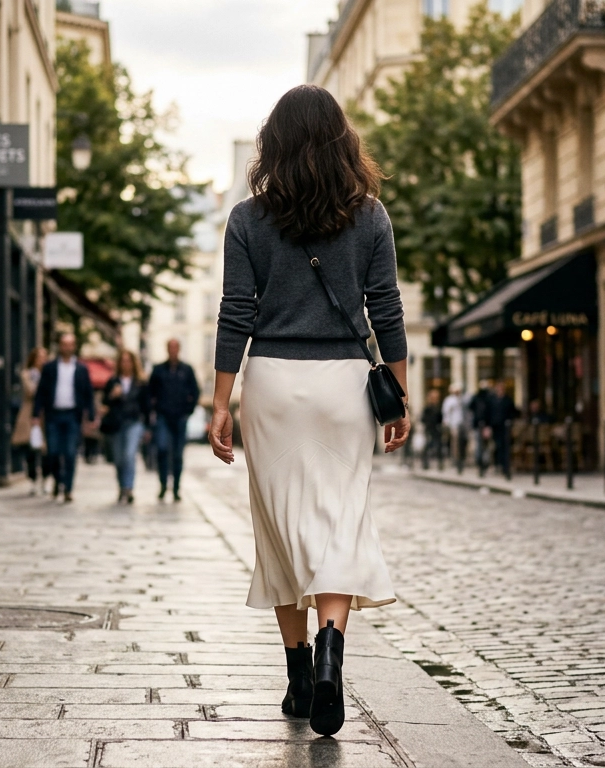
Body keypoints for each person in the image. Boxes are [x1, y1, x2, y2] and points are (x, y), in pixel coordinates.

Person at [208, 85, 409, 738]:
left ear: (275, 143)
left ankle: (297, 674)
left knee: (280, 528)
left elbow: (236, 312)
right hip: (345, 386)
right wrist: (398, 395)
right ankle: (330, 650)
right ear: (340, 139)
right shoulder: (370, 215)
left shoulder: (247, 219)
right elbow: (387, 308)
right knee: (337, 519)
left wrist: (220, 402)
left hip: (271, 383)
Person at [32, 333, 96, 503]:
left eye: (70, 344)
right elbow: (41, 392)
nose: (67, 347)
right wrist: (36, 414)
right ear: (59, 346)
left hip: (72, 415)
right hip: (53, 415)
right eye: (63, 344)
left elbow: (88, 393)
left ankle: (67, 488)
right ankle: (57, 481)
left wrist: (91, 415)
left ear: (74, 346)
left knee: (69, 453)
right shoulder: (50, 367)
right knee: (53, 451)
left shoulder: (81, 369)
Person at [147, 338, 201, 501]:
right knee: (162, 449)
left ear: (179, 349)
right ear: (167, 349)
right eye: (170, 347)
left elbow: (195, 391)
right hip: (163, 416)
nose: (173, 350)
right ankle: (163, 484)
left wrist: (188, 411)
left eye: (175, 347)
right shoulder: (158, 370)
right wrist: (153, 410)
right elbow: (150, 392)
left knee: (178, 454)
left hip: (180, 417)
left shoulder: (187, 370)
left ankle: (176, 488)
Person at [102, 349, 149, 505]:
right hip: (116, 424)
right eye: (122, 360)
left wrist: (148, 427)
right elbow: (104, 403)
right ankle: (122, 487)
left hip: (134, 423)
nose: (125, 364)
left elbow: (146, 406)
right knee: (118, 459)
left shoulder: (140, 382)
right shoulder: (112, 381)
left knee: (129, 455)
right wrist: (112, 396)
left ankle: (128, 488)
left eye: (128, 360)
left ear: (133, 363)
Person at [13, 347, 48, 495]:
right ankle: (33, 480)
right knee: (31, 449)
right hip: (29, 414)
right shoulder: (27, 374)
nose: (42, 360)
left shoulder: (49, 373)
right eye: (39, 357)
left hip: (46, 414)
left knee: (46, 450)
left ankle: (45, 480)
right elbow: (30, 391)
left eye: (44, 357)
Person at [481, 380, 518, 480]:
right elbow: (487, 413)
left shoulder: (507, 400)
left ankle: (505, 467)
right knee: (496, 446)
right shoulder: (491, 400)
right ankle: (497, 465)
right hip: (495, 426)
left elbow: (513, 412)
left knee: (504, 446)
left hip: (505, 427)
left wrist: (510, 423)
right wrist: (486, 426)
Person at [469, 381, 494, 477]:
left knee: (484, 446)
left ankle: (483, 463)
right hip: (481, 425)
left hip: (485, 425)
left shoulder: (486, 398)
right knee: (482, 446)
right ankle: (481, 463)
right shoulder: (480, 398)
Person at [441, 385, 467, 474]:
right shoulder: (449, 400)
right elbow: (446, 413)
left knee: (462, 443)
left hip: (462, 424)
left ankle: (461, 459)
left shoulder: (462, 399)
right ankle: (456, 460)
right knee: (455, 444)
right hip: (454, 425)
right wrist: (448, 424)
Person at [420, 390, 444, 470]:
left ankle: (440, 464)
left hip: (437, 430)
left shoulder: (438, 408)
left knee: (439, 447)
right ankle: (425, 463)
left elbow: (441, 418)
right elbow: (423, 419)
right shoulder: (427, 408)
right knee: (427, 447)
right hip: (429, 430)